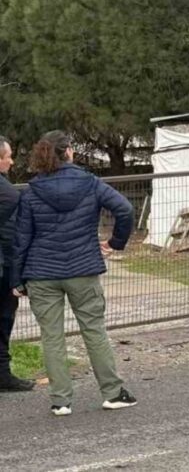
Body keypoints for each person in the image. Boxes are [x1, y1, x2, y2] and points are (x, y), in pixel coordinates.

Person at [10, 131, 136, 416]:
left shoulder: (31, 191)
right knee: (93, 330)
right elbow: (125, 209)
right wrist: (116, 242)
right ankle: (113, 393)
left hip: (41, 272)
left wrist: (17, 279)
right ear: (67, 152)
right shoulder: (90, 183)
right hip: (82, 268)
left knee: (51, 336)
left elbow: (21, 239)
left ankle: (61, 400)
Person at [0, 135, 33, 392]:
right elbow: (12, 199)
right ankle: (2, 374)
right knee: (3, 317)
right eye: (8, 156)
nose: (11, 161)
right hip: (5, 265)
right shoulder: (7, 193)